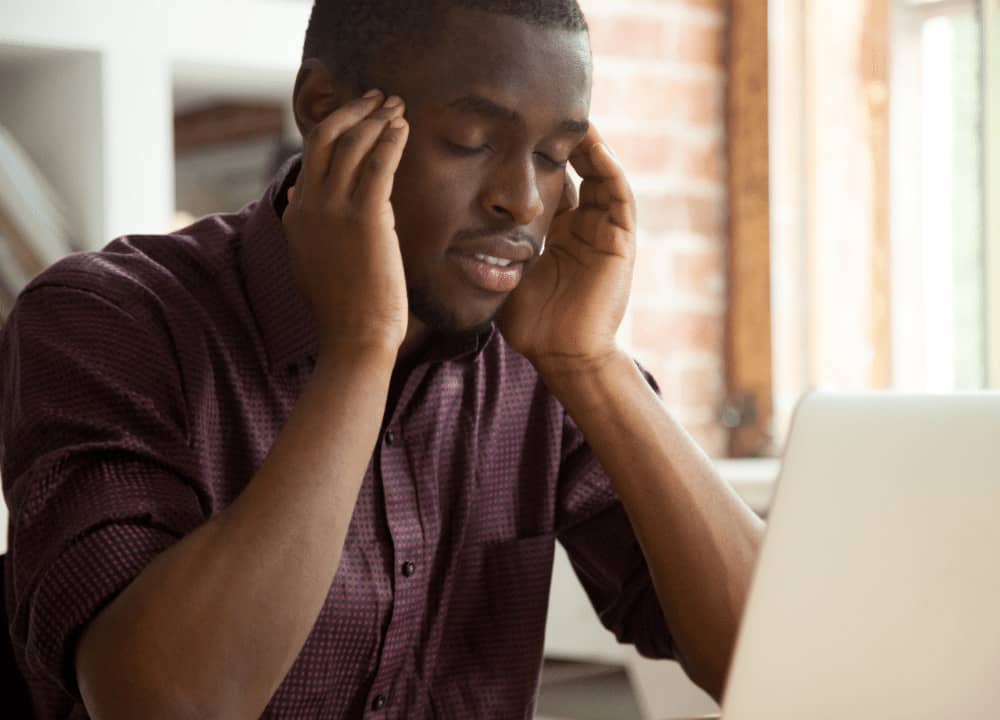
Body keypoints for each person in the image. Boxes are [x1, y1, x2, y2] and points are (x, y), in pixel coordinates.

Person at [0, 1, 764, 717]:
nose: (523, 202)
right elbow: (162, 702)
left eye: (553, 156)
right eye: (472, 143)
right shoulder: (107, 320)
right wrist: (363, 348)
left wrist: (592, 364)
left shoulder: (537, 361)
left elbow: (765, 654)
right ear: (325, 107)